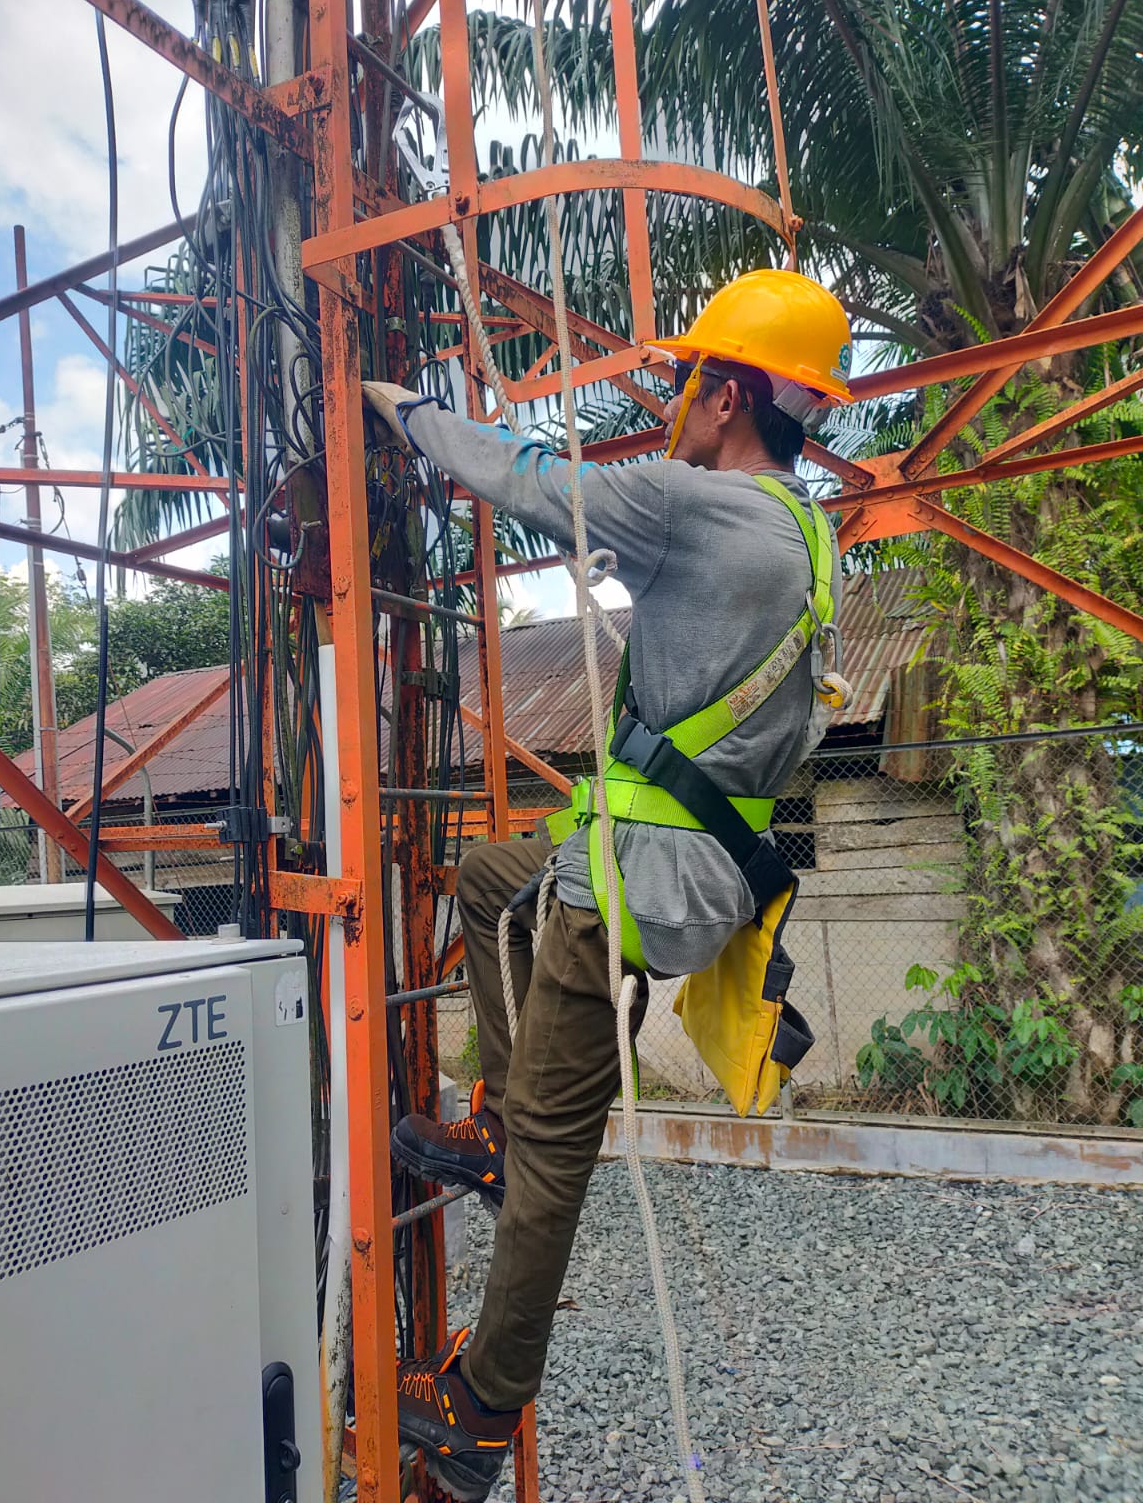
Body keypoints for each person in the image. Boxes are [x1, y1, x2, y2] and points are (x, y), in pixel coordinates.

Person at [361, 269, 851, 1503]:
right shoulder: (806, 532)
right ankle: (492, 1111)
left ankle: (477, 1413)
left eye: (691, 383)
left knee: (552, 1166)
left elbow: (526, 477)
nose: (676, 405)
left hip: (627, 885)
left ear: (728, 393)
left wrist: (409, 408)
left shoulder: (697, 504)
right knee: (483, 878)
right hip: (691, 871)